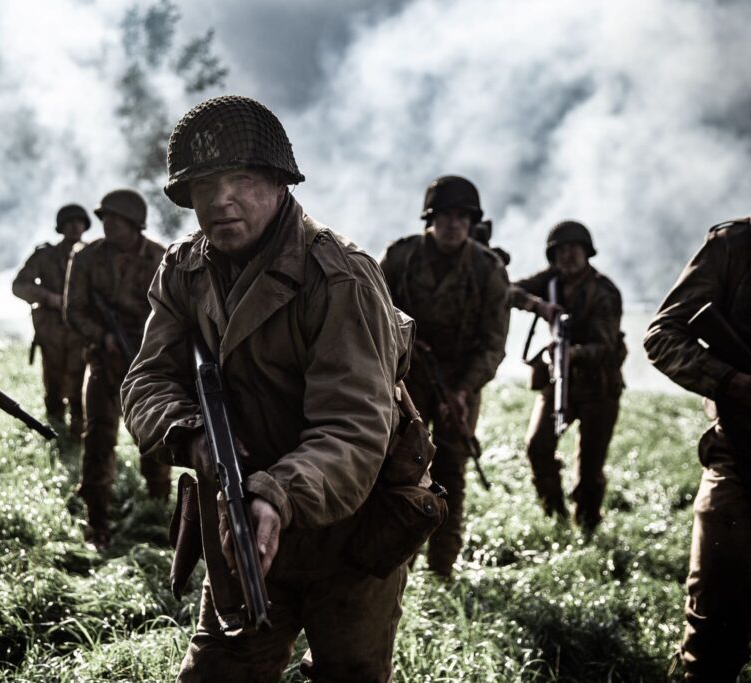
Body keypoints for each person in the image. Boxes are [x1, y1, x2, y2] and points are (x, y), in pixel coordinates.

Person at [122, 95, 436, 682]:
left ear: (278, 182)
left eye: (240, 179)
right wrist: (192, 437)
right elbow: (147, 379)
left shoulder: (338, 275)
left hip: (349, 530)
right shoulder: (184, 269)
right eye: (203, 185)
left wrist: (277, 492)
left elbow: (353, 428)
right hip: (239, 521)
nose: (220, 200)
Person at [379, 174, 510, 578]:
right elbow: (375, 315)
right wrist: (405, 346)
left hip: (460, 384)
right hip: (406, 383)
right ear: (430, 218)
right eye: (445, 215)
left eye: (461, 216)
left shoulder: (488, 270)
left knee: (451, 473)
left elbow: (493, 343)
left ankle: (442, 570)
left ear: (472, 222)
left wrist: (465, 389)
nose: (453, 224)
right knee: (400, 472)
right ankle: (396, 563)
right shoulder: (401, 258)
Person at [644, 216, 751, 681]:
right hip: (741, 457)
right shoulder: (735, 246)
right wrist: (732, 381)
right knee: (712, 636)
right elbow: (664, 336)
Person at [64, 188, 171, 549]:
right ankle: (97, 520)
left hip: (150, 363)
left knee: (156, 437)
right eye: (104, 218)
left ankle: (158, 508)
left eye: (116, 220)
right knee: (98, 439)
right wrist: (102, 335)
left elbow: (174, 316)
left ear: (134, 224)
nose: (107, 225)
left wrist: (150, 345)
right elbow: (73, 310)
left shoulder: (161, 258)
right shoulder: (87, 257)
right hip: (104, 362)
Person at [510, 220, 625, 531]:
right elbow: (506, 290)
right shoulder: (550, 281)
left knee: (590, 468)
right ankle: (555, 517)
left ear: (586, 251)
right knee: (537, 446)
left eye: (574, 248)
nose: (568, 255)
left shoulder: (604, 291)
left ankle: (587, 527)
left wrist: (573, 352)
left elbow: (606, 346)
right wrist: (539, 306)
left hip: (598, 386)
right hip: (558, 380)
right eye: (560, 250)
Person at [12, 204, 89, 439]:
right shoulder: (45, 256)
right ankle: (55, 430)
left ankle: (79, 428)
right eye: (69, 222)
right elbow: (19, 286)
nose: (74, 227)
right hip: (52, 331)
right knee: (53, 380)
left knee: (80, 380)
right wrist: (49, 298)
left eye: (79, 222)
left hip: (81, 331)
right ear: (61, 227)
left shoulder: (92, 255)